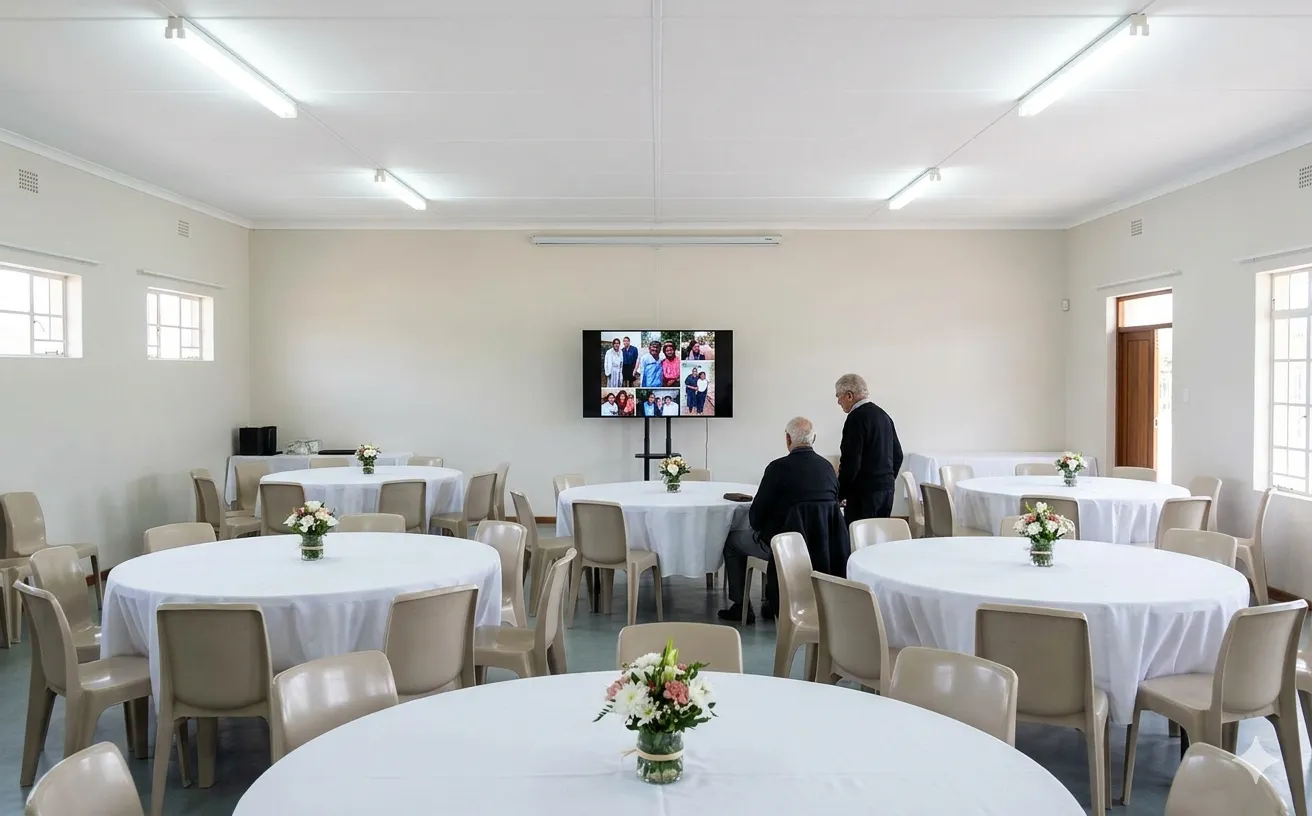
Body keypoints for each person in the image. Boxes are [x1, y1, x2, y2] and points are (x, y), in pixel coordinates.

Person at [718, 417, 838, 623]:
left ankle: (741, 606)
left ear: (788, 439)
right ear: (814, 439)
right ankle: (767, 600)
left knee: (732, 542)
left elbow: (756, 518)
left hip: (783, 549)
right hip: (823, 546)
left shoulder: (777, 468)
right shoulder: (827, 468)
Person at [835, 373, 903, 522]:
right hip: (886, 492)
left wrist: (840, 494)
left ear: (849, 395)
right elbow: (898, 455)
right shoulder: (883, 415)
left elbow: (851, 462)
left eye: (838, 396)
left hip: (863, 495)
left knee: (859, 540)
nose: (838, 402)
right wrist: (887, 481)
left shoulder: (855, 419)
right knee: (879, 540)